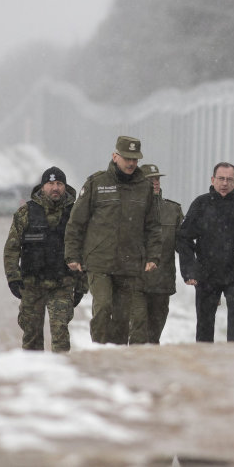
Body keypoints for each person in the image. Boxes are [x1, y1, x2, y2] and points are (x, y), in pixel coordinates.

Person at [64, 136, 162, 345]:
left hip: (129, 263)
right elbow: (76, 222)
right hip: (99, 261)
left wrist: (153, 255)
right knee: (103, 306)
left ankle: (116, 354)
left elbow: (152, 226)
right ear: (115, 156)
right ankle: (99, 348)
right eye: (127, 158)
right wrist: (72, 254)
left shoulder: (144, 187)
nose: (131, 163)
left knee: (121, 316)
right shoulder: (97, 183)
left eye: (135, 159)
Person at [177, 162, 234, 342]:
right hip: (207, 274)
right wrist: (190, 269)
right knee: (205, 323)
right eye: (221, 179)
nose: (224, 183)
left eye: (229, 180)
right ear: (212, 180)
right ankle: (205, 359)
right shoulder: (201, 204)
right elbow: (183, 238)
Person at [3, 166, 83, 352]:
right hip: (32, 285)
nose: (55, 188)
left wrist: (81, 285)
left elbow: (84, 250)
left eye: (59, 183)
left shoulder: (75, 214)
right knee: (31, 337)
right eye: (50, 183)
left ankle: (60, 376)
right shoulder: (26, 213)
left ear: (65, 186)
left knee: (60, 335)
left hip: (62, 284)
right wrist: (13, 278)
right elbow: (11, 249)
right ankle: (34, 376)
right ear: (42, 186)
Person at [114, 163, 183, 344]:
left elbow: (183, 245)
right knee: (138, 329)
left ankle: (148, 368)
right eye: (150, 179)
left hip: (162, 284)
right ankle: (134, 367)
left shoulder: (173, 211)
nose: (155, 182)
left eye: (157, 178)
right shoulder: (126, 209)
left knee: (154, 336)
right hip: (135, 282)